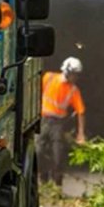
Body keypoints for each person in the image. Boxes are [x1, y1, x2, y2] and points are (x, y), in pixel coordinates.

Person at [38, 57, 85, 186]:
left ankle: (57, 182)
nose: (76, 77)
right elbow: (36, 93)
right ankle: (43, 175)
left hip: (58, 123)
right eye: (75, 74)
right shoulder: (49, 78)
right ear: (67, 71)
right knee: (38, 151)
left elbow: (80, 112)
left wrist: (81, 134)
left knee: (58, 154)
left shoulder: (73, 90)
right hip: (42, 120)